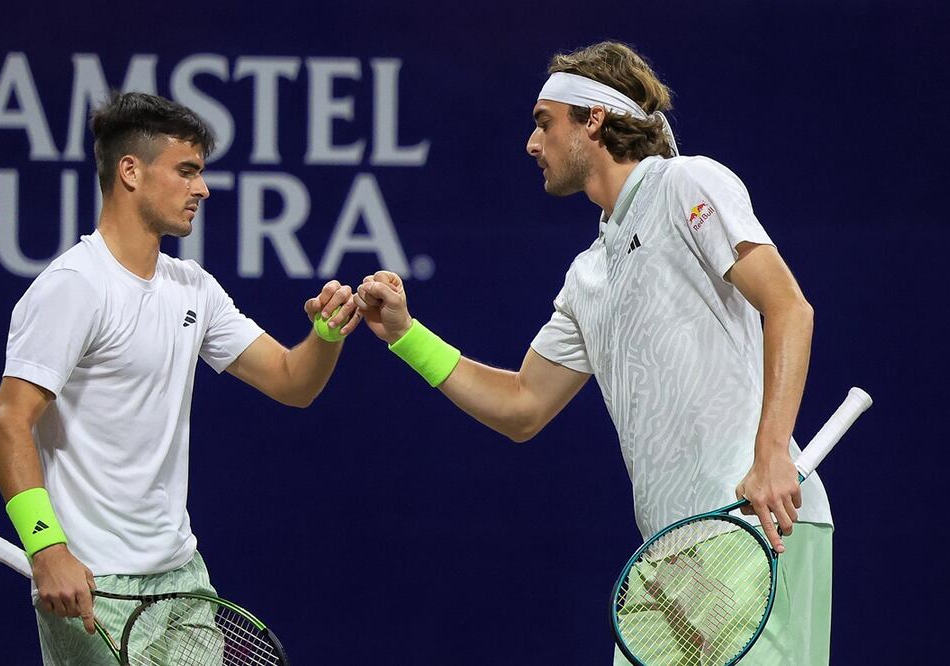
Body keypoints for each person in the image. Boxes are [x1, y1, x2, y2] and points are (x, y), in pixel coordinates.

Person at [354, 42, 831, 664]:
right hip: (668, 558)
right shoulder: (588, 274)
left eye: (544, 122)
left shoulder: (687, 183)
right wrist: (405, 335)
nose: (532, 143)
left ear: (594, 119)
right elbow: (521, 405)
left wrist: (772, 455)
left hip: (759, 527)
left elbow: (790, 308)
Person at [0, 91, 361, 664]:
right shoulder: (74, 286)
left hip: (182, 577)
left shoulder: (193, 287)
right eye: (186, 171)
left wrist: (328, 334)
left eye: (200, 173)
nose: (202, 188)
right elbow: (8, 423)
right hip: (92, 580)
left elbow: (292, 381)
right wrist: (46, 548)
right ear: (130, 172)